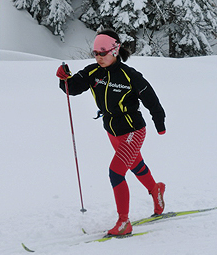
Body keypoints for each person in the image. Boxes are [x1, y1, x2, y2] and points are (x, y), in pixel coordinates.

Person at [56, 29, 166, 236]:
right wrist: (64, 78)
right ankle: (156, 189)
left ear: (115, 51)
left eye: (103, 52)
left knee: (116, 172)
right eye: (95, 52)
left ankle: (124, 222)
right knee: (136, 164)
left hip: (133, 130)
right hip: (113, 132)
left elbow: (152, 100)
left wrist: (159, 123)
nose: (98, 57)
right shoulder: (92, 72)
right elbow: (72, 87)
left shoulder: (130, 76)